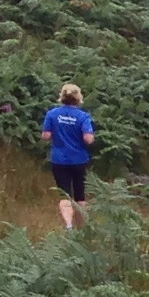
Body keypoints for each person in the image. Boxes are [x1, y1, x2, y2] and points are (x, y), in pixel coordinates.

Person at [41, 83, 96, 232]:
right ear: (78, 98)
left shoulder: (52, 114)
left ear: (62, 96)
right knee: (80, 195)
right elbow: (88, 139)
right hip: (79, 160)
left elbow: (45, 136)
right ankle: (82, 229)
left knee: (64, 194)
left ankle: (69, 226)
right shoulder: (83, 116)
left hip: (59, 160)